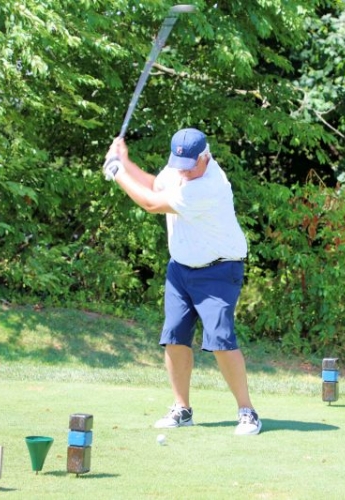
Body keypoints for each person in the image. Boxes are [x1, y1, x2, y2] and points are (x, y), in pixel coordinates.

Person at [103, 128, 262, 436]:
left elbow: (151, 204)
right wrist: (124, 161)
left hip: (219, 271)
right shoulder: (180, 168)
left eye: (189, 166)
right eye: (180, 165)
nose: (184, 172)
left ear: (206, 156)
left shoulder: (210, 185)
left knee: (220, 339)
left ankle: (247, 412)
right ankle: (182, 409)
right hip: (180, 269)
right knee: (174, 337)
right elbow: (154, 186)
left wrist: (117, 172)